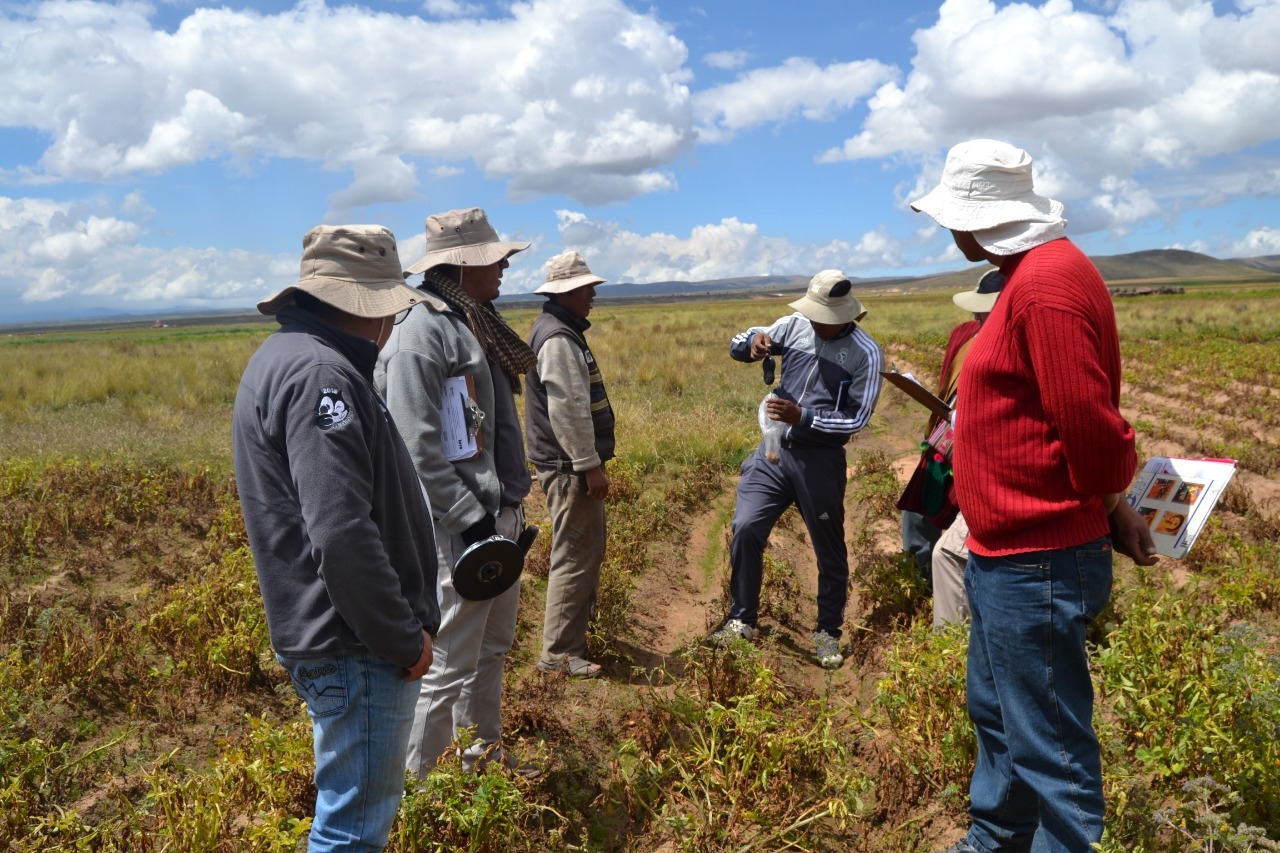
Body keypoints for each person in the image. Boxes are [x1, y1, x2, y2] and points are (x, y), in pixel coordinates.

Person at [911, 139, 1158, 853]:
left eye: (951, 215)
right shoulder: (1027, 274)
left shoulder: (1045, 284)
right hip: (1007, 551)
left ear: (981, 218)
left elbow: (1089, 427)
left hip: (1039, 555)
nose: (946, 229)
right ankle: (993, 839)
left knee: (1049, 745)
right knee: (1000, 717)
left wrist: (1113, 503)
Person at [232, 224, 439, 852]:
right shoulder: (323, 374)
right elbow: (342, 533)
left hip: (338, 638)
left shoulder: (287, 358)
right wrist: (401, 639)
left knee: (346, 820)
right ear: (364, 306)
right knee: (351, 832)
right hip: (357, 645)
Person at [376, 207, 538, 776]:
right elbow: (417, 448)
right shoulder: (420, 334)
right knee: (445, 663)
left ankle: (482, 761)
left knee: (490, 652)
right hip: (457, 530)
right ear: (462, 266)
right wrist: (472, 521)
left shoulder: (472, 321)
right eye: (495, 260)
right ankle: (420, 795)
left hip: (496, 519)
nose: (504, 268)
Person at [711, 270, 884, 669]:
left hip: (819, 462)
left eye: (826, 317)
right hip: (773, 453)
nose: (818, 323)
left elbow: (856, 421)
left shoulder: (866, 353)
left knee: (828, 547)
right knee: (747, 527)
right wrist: (752, 345)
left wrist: (803, 416)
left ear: (848, 315)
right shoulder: (793, 325)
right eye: (815, 314)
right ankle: (742, 620)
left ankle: (827, 631)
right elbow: (743, 339)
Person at [525, 250, 616, 678]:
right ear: (565, 293)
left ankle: (572, 642)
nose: (593, 295)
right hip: (568, 467)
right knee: (575, 555)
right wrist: (588, 464)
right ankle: (559, 655)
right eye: (586, 288)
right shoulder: (559, 337)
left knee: (584, 551)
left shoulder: (559, 330)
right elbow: (569, 408)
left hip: (569, 464)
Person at [898, 269, 1002, 590]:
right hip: (946, 441)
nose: (975, 314)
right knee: (918, 515)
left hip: (984, 450)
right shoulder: (965, 335)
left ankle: (964, 593)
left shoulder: (1017, 343)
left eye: (983, 309)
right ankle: (919, 587)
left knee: (965, 532)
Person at [921, 270, 1005, 628]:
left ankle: (952, 651)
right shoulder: (975, 340)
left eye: (984, 311)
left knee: (949, 557)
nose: (975, 319)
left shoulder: (1011, 349)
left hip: (1002, 481)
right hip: (985, 473)